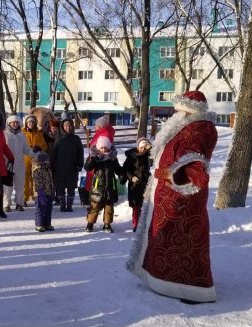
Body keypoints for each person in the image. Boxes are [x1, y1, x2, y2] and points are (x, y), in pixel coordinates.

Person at [126, 90, 218, 304]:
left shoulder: (198, 128)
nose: (176, 114)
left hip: (181, 199)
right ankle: (159, 278)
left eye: (180, 111)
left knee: (183, 241)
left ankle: (191, 288)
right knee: (162, 238)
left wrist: (174, 173)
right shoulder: (185, 127)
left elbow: (194, 161)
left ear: (189, 110)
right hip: (168, 196)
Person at [84, 136, 123, 233]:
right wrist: (91, 159)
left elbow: (118, 169)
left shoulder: (112, 159)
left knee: (109, 206)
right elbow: (88, 167)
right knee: (95, 205)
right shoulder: (95, 158)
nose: (104, 150)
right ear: (98, 148)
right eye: (101, 148)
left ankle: (107, 224)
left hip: (110, 186)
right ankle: (90, 223)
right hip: (98, 186)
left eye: (106, 148)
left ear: (109, 148)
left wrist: (122, 175)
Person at [51, 117, 84, 212]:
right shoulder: (58, 138)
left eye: (69, 125)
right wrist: (52, 164)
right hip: (60, 167)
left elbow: (80, 152)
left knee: (71, 187)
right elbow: (54, 152)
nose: (68, 127)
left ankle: (69, 205)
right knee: (60, 187)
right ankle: (62, 205)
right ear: (62, 127)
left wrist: (80, 164)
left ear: (72, 127)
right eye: (66, 126)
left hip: (72, 167)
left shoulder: (76, 139)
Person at [3, 115, 34, 212]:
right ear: (9, 123)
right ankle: (6, 204)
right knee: (7, 186)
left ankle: (19, 203)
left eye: (17, 122)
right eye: (13, 122)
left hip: (20, 164)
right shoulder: (5, 134)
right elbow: (2, 149)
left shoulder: (22, 135)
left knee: (20, 185)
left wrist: (33, 154)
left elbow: (25, 148)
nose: (15, 124)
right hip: (8, 164)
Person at [121, 138, 153, 232]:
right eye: (141, 147)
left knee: (146, 205)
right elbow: (125, 170)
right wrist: (131, 177)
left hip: (146, 184)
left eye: (145, 147)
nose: (143, 149)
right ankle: (136, 224)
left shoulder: (148, 156)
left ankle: (145, 224)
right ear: (138, 147)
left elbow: (156, 157)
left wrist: (151, 147)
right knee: (136, 206)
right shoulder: (131, 157)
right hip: (135, 185)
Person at [84, 115, 116, 197]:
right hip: (96, 159)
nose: (95, 127)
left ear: (99, 125)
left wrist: (94, 153)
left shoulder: (104, 134)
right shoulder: (102, 132)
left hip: (99, 161)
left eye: (96, 125)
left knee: (98, 182)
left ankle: (97, 198)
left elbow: (103, 147)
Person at [22, 114, 48, 205]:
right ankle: (24, 198)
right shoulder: (22, 133)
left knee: (36, 179)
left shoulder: (38, 133)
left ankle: (35, 196)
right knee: (25, 179)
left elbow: (44, 146)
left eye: (32, 122)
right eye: (29, 122)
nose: (31, 124)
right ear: (26, 123)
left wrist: (39, 149)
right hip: (25, 158)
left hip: (36, 158)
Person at [32, 152, 54, 232]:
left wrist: (52, 191)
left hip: (49, 192)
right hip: (40, 194)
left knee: (48, 209)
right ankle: (39, 225)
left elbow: (51, 181)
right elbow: (37, 183)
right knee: (40, 209)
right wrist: (40, 194)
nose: (49, 161)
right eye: (47, 160)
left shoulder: (48, 169)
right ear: (42, 161)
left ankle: (47, 224)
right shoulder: (37, 170)